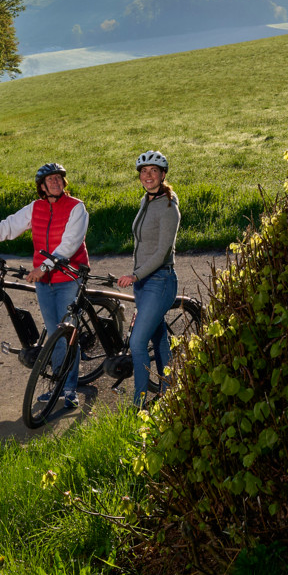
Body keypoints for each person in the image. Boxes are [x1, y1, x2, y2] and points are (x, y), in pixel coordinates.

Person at [0, 161, 89, 413]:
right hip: (45, 282)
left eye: (58, 178)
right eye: (50, 180)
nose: (55, 182)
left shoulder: (76, 207)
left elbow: (70, 244)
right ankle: (58, 384)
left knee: (66, 334)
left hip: (69, 277)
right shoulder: (36, 207)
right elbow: (9, 226)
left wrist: (43, 267)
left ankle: (69, 389)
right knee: (53, 334)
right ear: (42, 186)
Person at [116, 149, 179, 405]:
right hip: (143, 283)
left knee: (138, 342)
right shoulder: (147, 200)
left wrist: (135, 275)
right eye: (144, 171)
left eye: (154, 171)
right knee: (159, 337)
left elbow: (162, 252)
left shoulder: (168, 207)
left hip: (160, 281)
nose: (148, 175)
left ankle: (138, 404)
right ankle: (170, 393)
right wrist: (138, 278)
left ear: (163, 174)